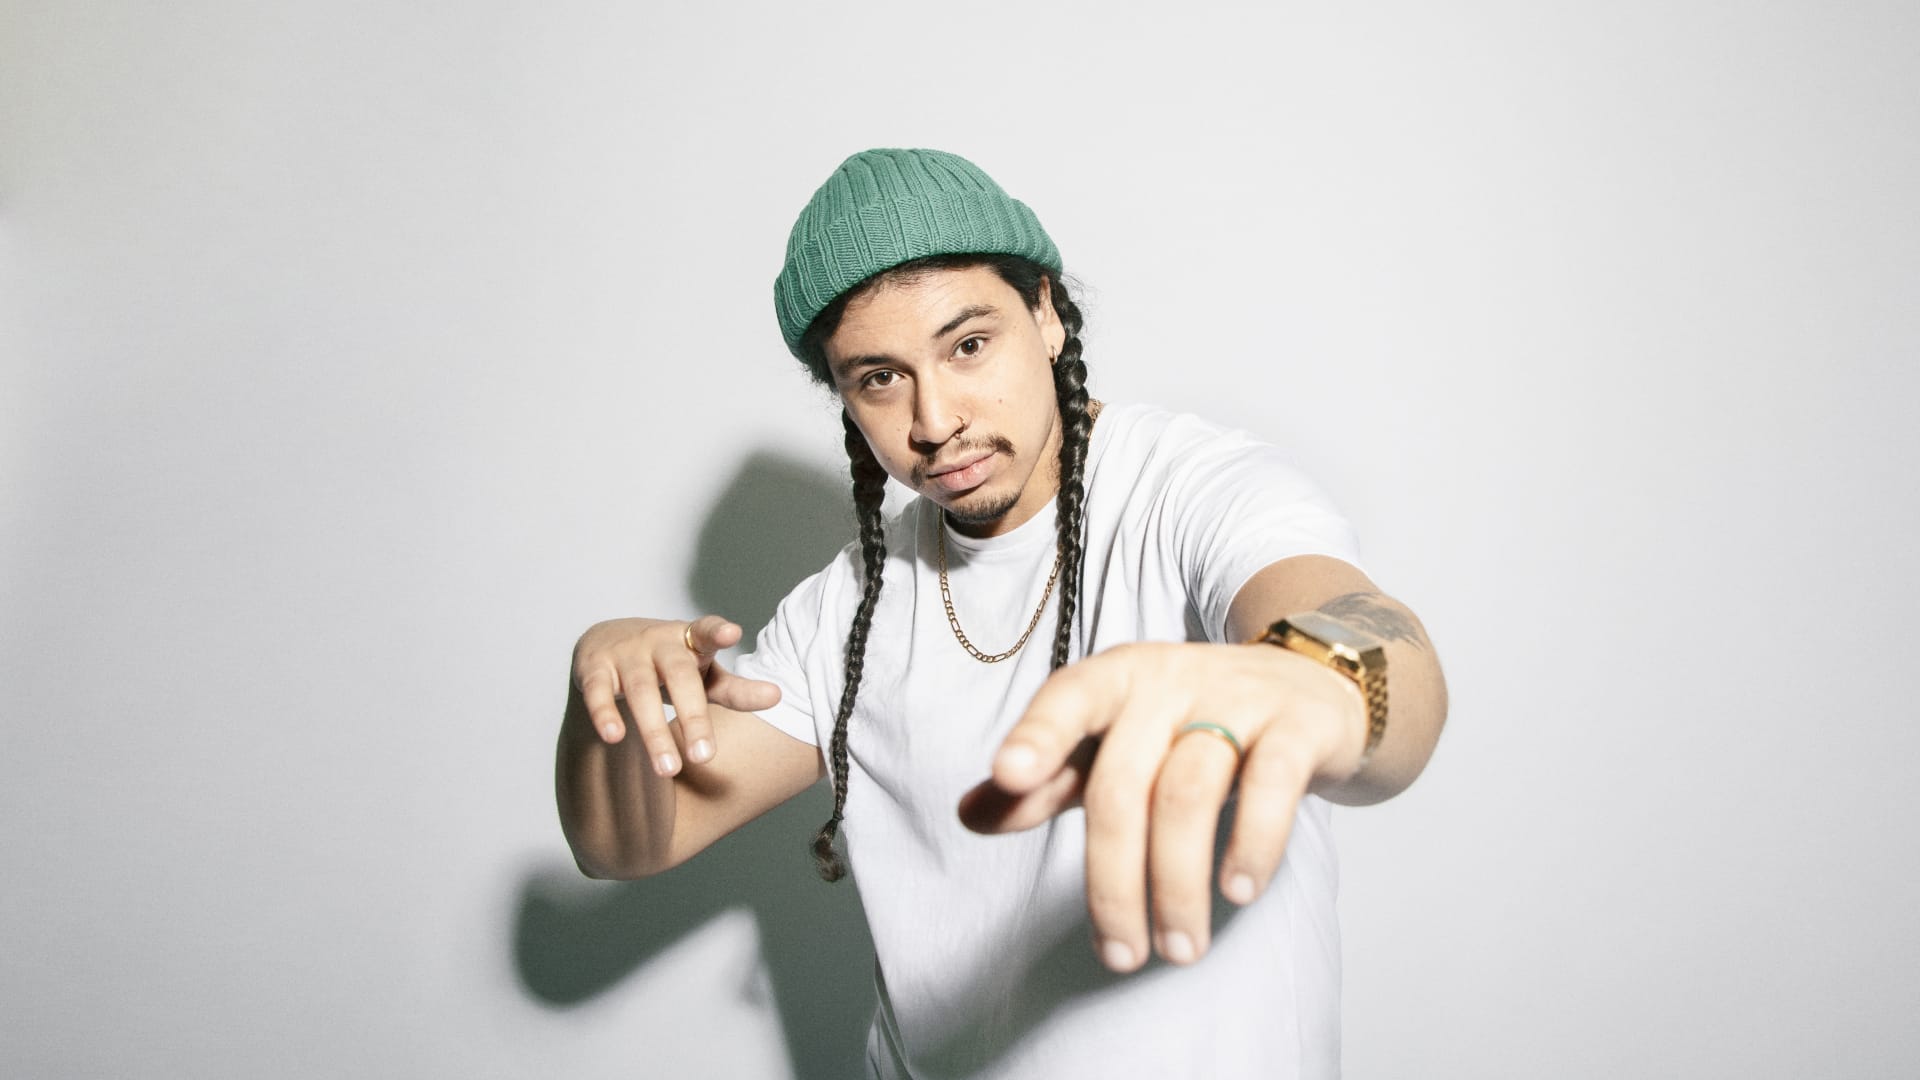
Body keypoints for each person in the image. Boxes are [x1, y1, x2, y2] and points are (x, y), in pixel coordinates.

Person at [555, 148, 1448, 1079]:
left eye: (968, 346)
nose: (935, 418)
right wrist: (602, 700)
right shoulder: (848, 605)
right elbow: (626, 842)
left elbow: (1370, 638)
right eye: (879, 378)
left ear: (1046, 314)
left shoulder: (1192, 490)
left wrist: (1313, 685)